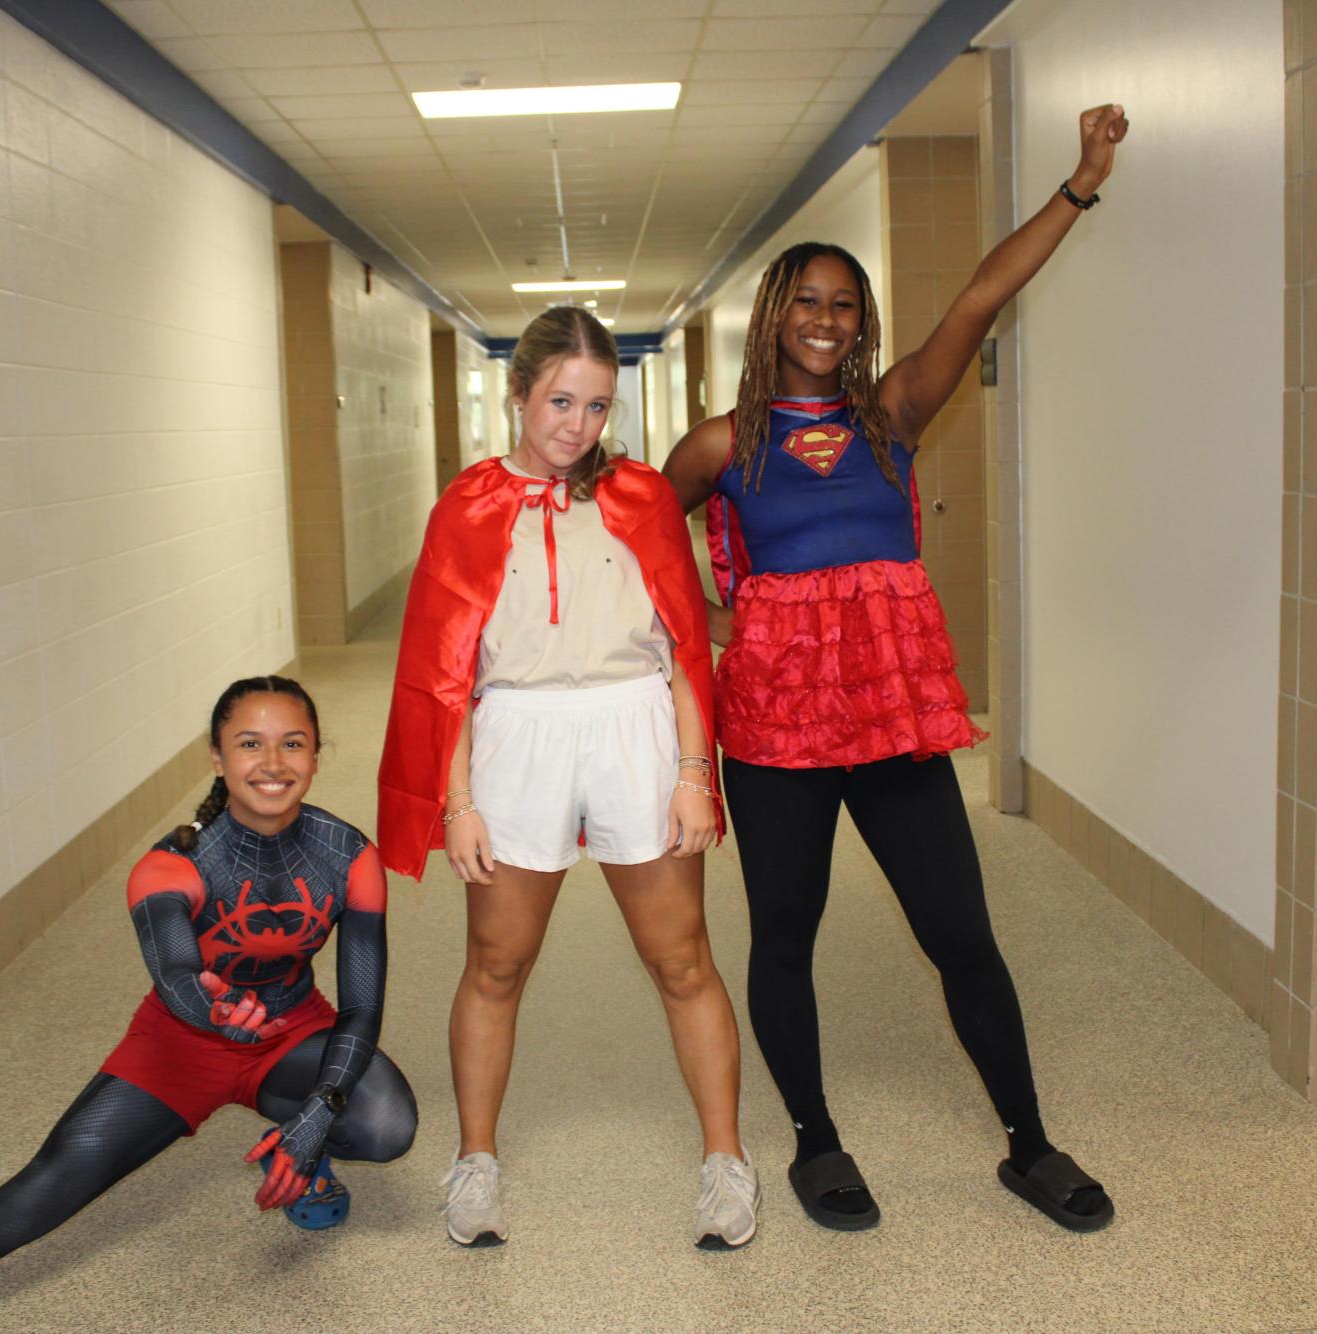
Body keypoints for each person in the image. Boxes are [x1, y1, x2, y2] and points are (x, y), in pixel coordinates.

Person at [662, 105, 1131, 1235]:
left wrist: (1080, 184)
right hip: (775, 725)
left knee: (960, 929)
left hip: (892, 716)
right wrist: (718, 619)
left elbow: (980, 291)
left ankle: (1030, 1139)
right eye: (808, 301)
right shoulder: (724, 444)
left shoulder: (895, 412)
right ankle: (817, 1140)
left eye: (844, 303)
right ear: (774, 315)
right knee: (786, 930)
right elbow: (640, 536)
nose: (827, 318)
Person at [0, 677, 415, 1332]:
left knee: (384, 1126)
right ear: (216, 757)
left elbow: (360, 1008)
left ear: (317, 754)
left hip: (292, 1036)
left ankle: (299, 1139)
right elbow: (178, 974)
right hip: (181, 1046)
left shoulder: (349, 856)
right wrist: (209, 1009)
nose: (272, 764)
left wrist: (319, 1111)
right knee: (36, 1195)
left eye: (292, 744)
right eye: (249, 744)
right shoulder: (169, 865)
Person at [377, 306, 756, 1251]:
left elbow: (680, 647)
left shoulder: (641, 497)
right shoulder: (465, 506)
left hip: (634, 725)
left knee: (681, 959)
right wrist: (457, 800)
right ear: (518, 394)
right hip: (518, 735)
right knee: (496, 964)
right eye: (558, 401)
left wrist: (692, 771)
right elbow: (443, 672)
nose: (575, 427)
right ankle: (475, 1164)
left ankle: (725, 1164)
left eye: (595, 406)